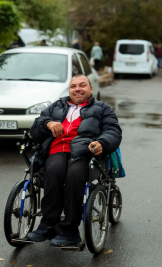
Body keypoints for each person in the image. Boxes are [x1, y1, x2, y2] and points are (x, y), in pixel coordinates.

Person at [27, 74, 122, 247]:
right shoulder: (56, 106)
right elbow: (36, 128)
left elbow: (113, 131)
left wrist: (102, 143)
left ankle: (69, 230)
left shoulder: (102, 108)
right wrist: (48, 123)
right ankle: (48, 225)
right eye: (73, 86)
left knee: (74, 175)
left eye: (82, 85)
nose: (77, 89)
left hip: (84, 153)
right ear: (69, 90)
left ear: (90, 89)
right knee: (54, 170)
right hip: (57, 150)